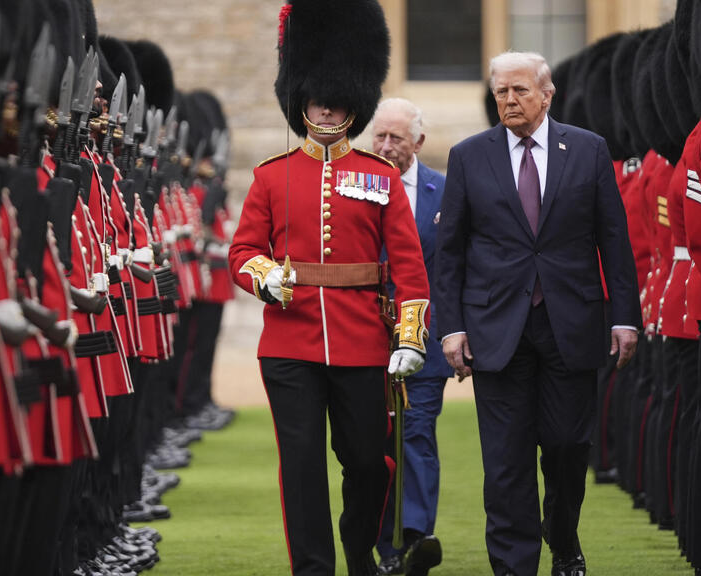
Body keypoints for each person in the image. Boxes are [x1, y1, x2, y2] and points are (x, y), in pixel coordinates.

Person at [227, 2, 430, 575]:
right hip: (289, 347)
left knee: (369, 462)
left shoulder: (381, 176)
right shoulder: (271, 175)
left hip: (362, 341)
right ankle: (313, 569)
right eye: (317, 95)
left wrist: (410, 337)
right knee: (302, 469)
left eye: (338, 97)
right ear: (301, 97)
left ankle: (359, 547)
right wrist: (264, 276)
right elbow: (242, 253)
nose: (327, 104)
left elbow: (409, 268)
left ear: (354, 102)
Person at [435, 51, 641, 576]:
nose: (509, 100)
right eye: (501, 91)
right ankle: (514, 566)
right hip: (495, 330)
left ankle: (564, 537)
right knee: (505, 463)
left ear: (547, 95)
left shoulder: (589, 150)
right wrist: (452, 328)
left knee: (569, 448)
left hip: (569, 324)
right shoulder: (468, 156)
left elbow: (613, 239)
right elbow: (451, 250)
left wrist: (624, 316)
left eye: (520, 90)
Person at [370, 98, 452, 576]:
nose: (385, 146)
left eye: (395, 138)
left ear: (417, 142)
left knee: (417, 436)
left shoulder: (443, 191)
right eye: (379, 136)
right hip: (367, 337)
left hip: (423, 339)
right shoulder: (354, 187)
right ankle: (383, 543)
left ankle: (415, 538)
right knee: (376, 444)